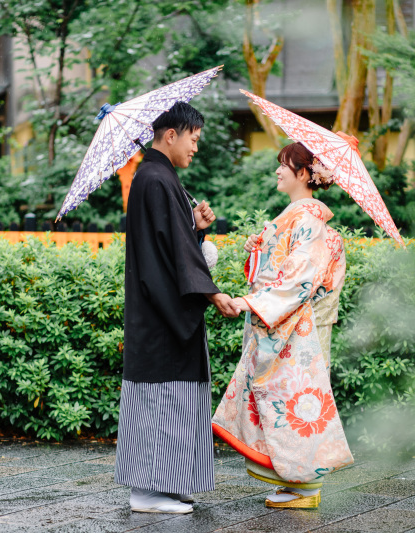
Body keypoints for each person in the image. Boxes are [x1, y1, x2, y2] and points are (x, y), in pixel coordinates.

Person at [114, 101, 241, 514]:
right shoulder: (155, 180)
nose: (195, 148)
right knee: (161, 400)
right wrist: (210, 293)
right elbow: (169, 259)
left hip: (161, 312)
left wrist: (196, 228)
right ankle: (147, 490)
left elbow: (173, 247)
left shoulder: (155, 177)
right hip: (161, 316)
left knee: (169, 399)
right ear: (171, 134)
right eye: (193, 138)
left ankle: (162, 485)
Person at [212, 141, 354, 509]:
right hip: (278, 323)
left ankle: (305, 485)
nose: (278, 170)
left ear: (304, 173)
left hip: (291, 326)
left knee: (291, 402)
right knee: (285, 401)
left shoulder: (307, 219)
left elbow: (298, 280)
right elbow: (280, 266)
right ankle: (295, 483)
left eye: (285, 165)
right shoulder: (297, 215)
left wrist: (248, 300)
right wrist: (259, 249)